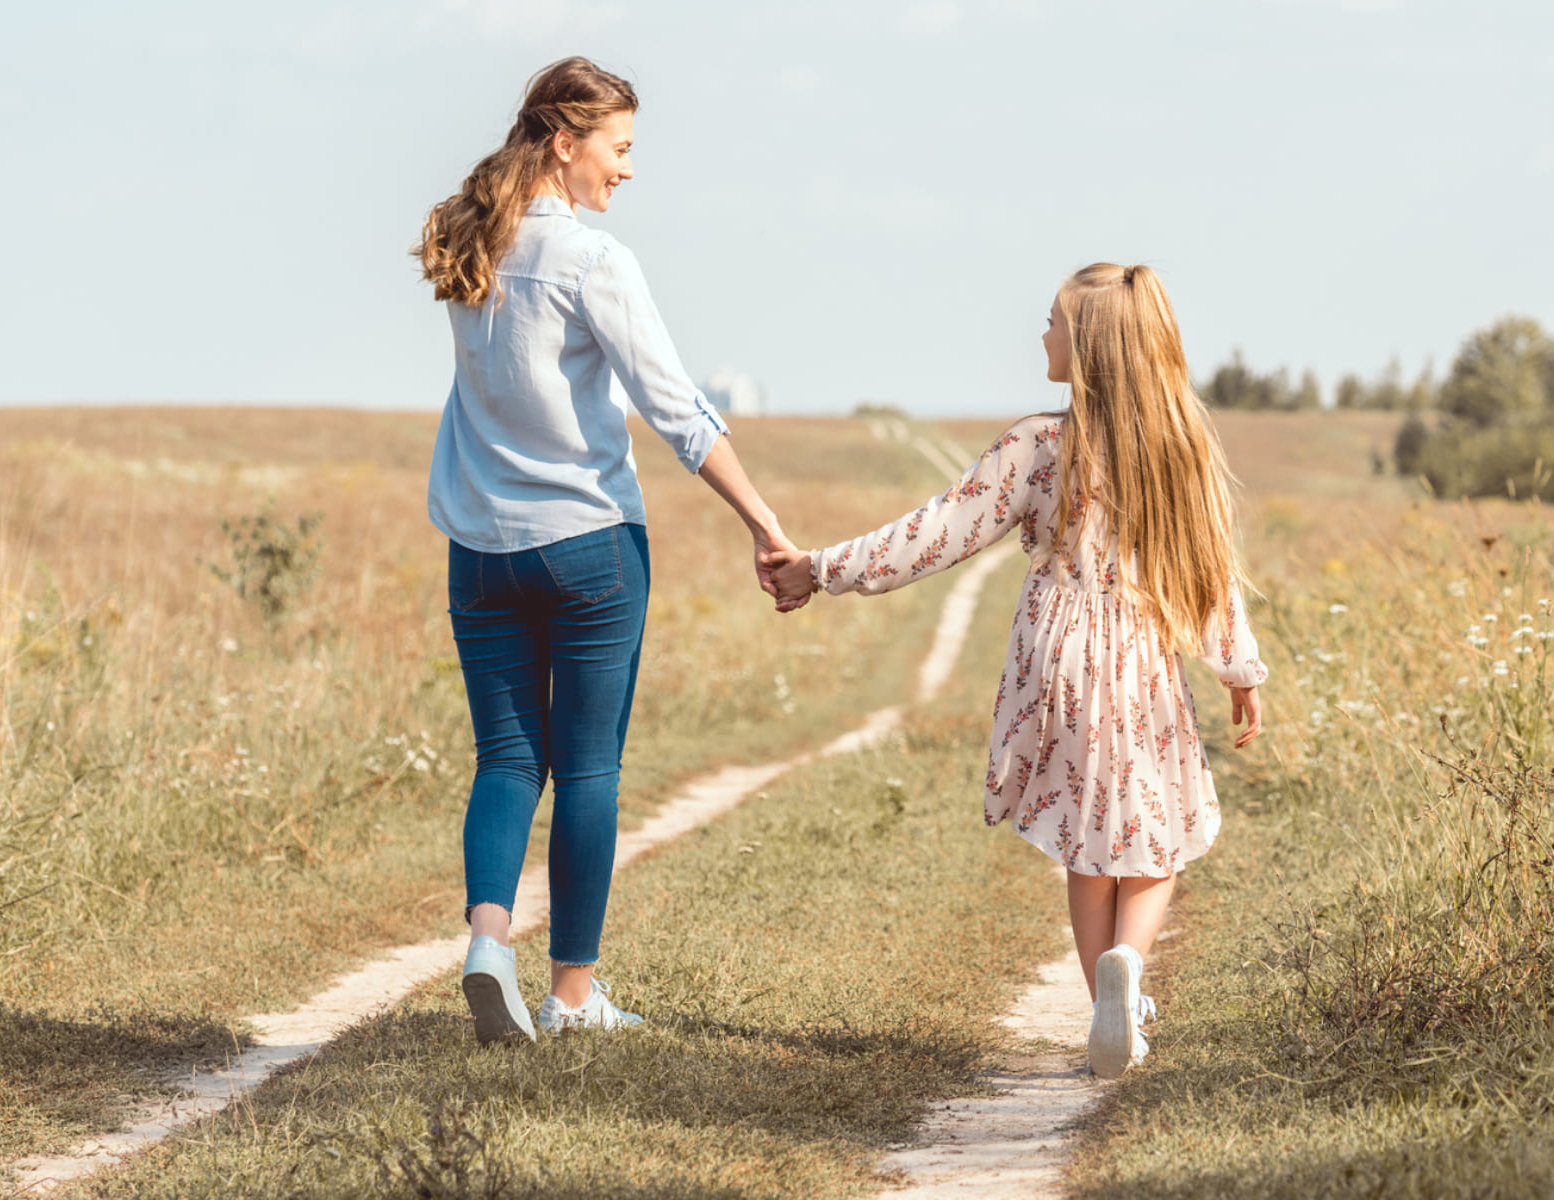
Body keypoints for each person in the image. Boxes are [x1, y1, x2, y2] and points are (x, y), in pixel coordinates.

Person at [767, 263, 1268, 1078]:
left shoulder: (1038, 446)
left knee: (1084, 835)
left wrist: (823, 569)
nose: (1042, 335)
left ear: (1091, 349)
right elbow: (1210, 566)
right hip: (1140, 651)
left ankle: (1103, 1001)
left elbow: (935, 534)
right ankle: (1128, 981)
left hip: (1056, 655)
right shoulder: (1181, 447)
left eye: (1054, 324)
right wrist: (1238, 667)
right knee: (1157, 831)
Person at [415, 56, 803, 1044]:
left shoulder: (475, 246)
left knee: (506, 758)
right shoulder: (592, 260)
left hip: (481, 550)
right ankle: (572, 999)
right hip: (589, 548)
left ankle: (488, 944)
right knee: (587, 772)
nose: (626, 171)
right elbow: (678, 411)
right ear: (564, 140)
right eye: (619, 149)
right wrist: (764, 523)